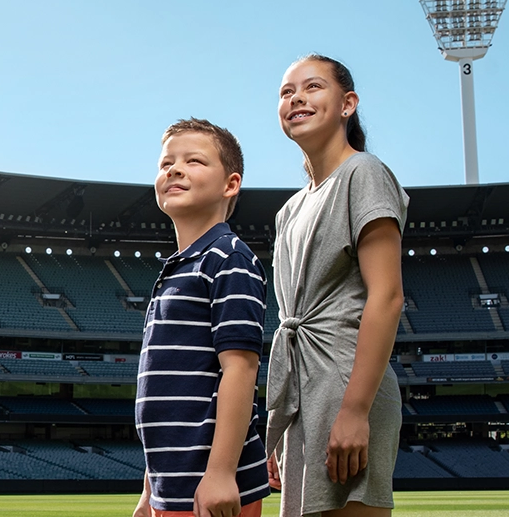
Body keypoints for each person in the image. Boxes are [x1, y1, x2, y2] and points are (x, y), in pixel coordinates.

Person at [264, 55, 407, 517]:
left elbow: (386, 296)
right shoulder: (288, 211)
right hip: (302, 394)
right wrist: (278, 429)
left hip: (347, 383)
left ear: (348, 104)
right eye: (287, 92)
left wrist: (355, 409)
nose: (296, 99)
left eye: (312, 87)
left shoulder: (363, 173)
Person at [134, 119, 271, 517]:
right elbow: (164, 397)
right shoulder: (175, 270)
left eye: (193, 161)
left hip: (209, 485)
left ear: (230, 184)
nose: (174, 169)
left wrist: (222, 473)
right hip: (171, 485)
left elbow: (240, 370)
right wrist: (149, 489)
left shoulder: (229, 258)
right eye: (166, 164)